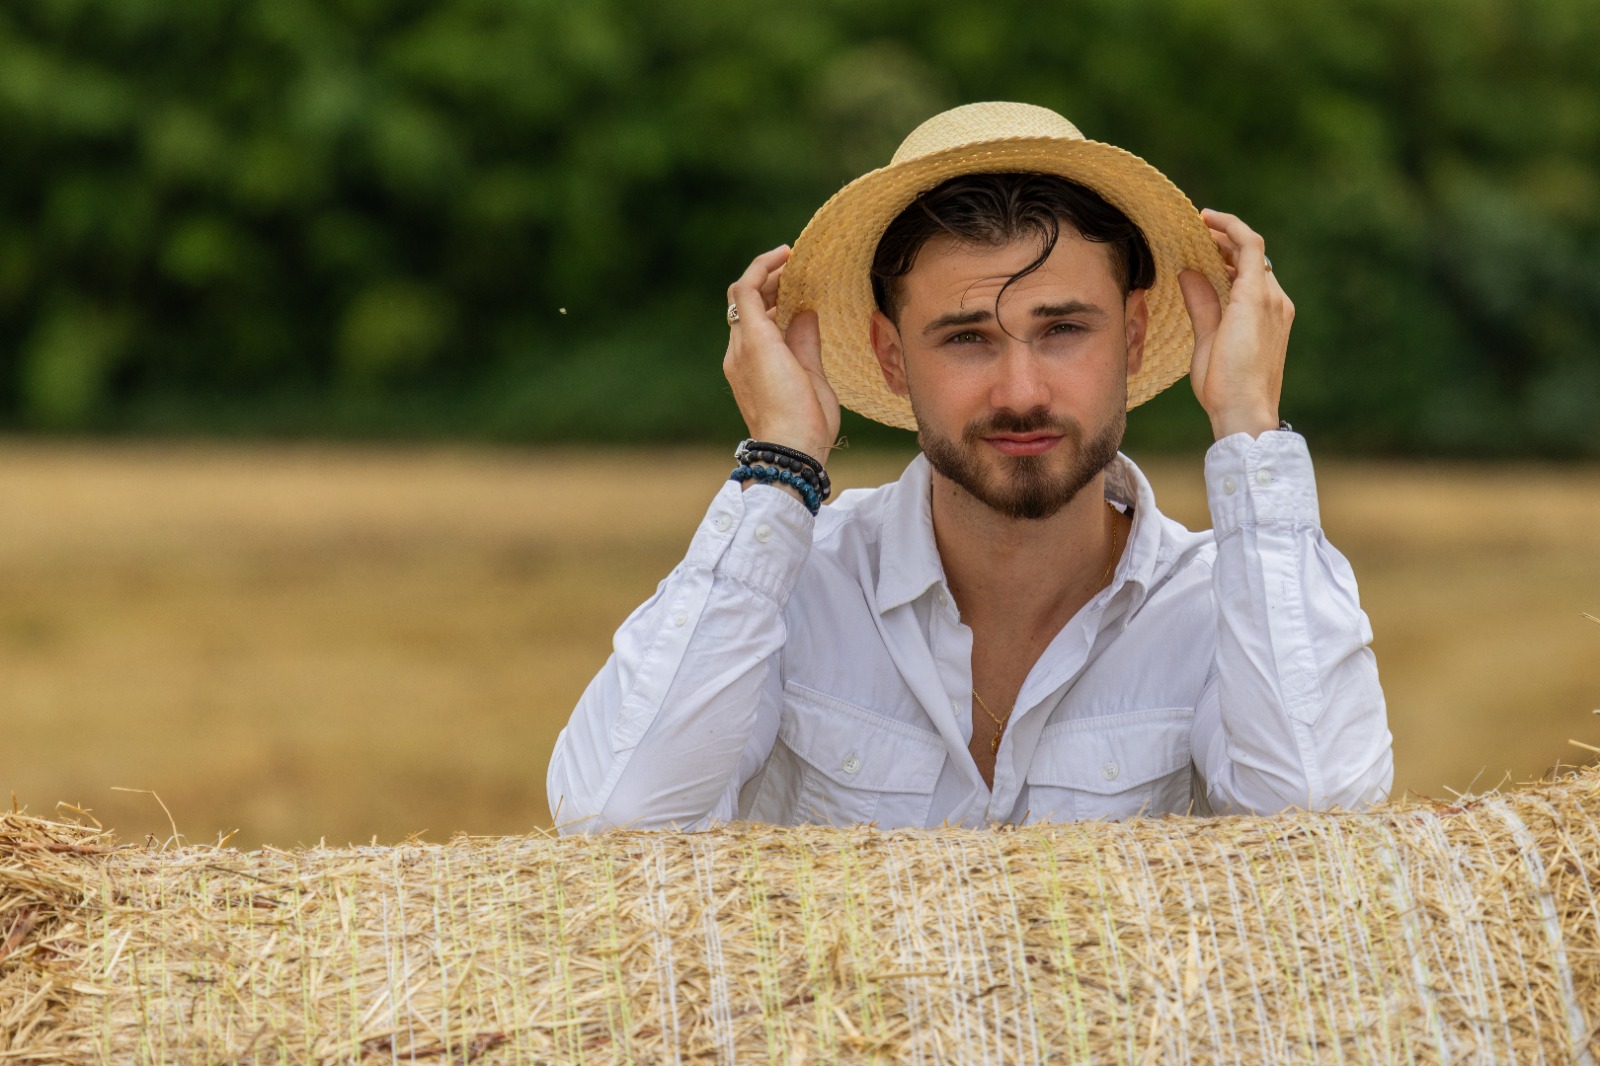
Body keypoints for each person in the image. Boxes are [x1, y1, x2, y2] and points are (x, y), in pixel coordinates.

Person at [547, 102, 1392, 832]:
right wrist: (779, 467)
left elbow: (1321, 822)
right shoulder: (796, 584)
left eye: (1064, 330)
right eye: (966, 338)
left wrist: (1249, 428)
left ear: (1133, 336)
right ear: (887, 356)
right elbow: (615, 817)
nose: (1020, 391)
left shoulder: (1220, 603)